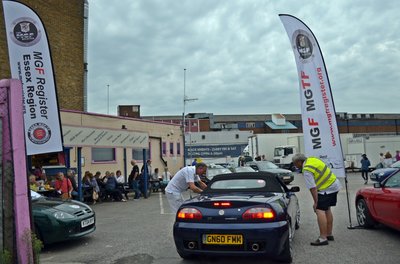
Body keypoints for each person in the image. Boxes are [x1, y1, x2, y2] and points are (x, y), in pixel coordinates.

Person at [292, 154, 341, 246]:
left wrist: (316, 202)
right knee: (327, 209)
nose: (295, 166)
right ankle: (329, 234)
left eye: (295, 163)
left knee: (320, 210)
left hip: (326, 188)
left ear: (299, 162)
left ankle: (323, 238)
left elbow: (313, 188)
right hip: (334, 184)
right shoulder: (312, 159)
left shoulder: (306, 170)